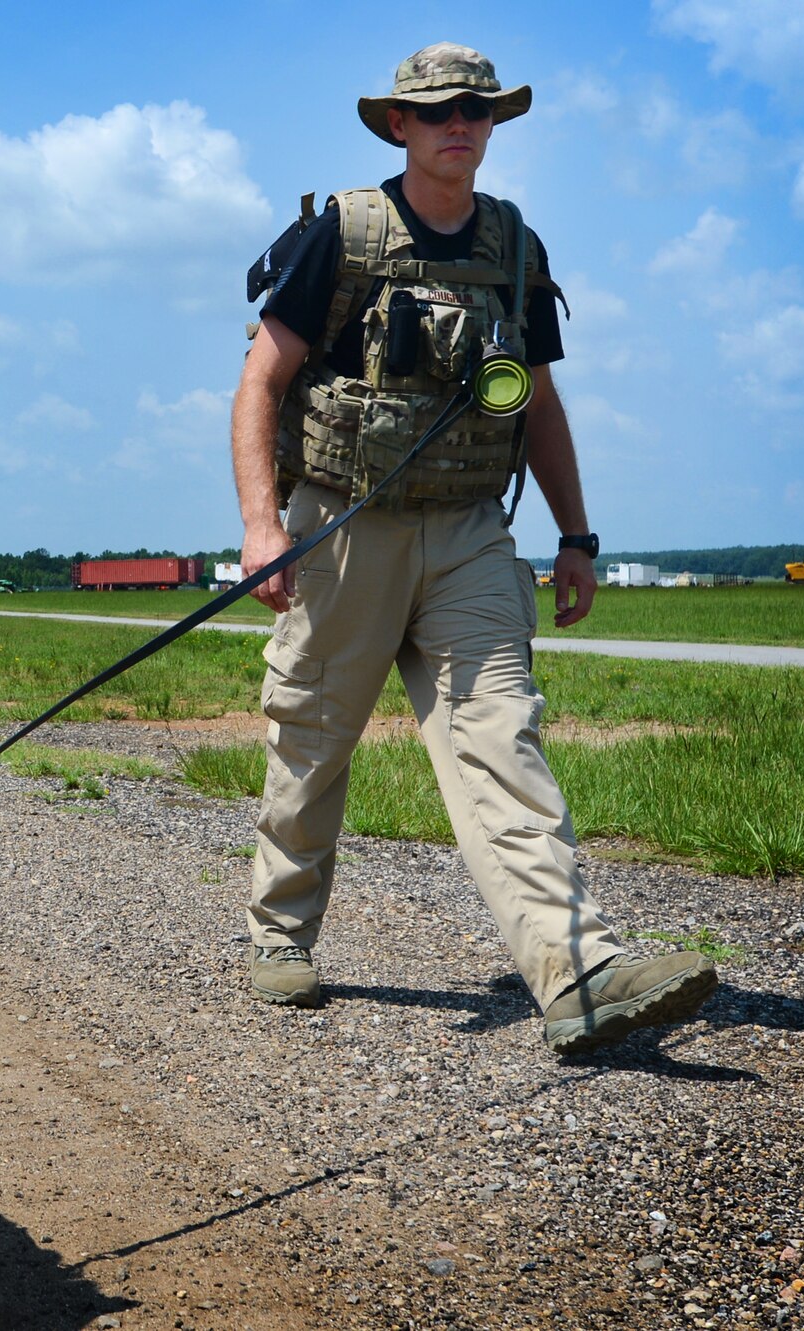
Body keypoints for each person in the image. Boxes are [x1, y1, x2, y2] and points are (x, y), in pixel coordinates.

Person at [228, 43, 716, 1054]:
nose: (460, 121)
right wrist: (261, 527)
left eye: (478, 109)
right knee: (310, 738)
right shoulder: (341, 234)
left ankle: (575, 973)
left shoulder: (510, 244)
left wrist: (574, 534)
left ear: (493, 126)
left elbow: (535, 402)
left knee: (502, 738)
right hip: (343, 522)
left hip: (466, 534)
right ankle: (278, 930)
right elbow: (259, 383)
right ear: (398, 125)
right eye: (439, 108)